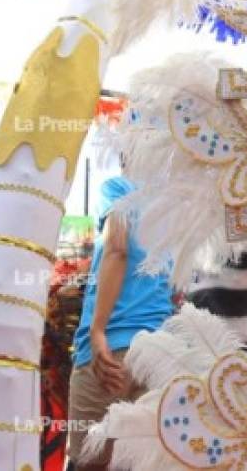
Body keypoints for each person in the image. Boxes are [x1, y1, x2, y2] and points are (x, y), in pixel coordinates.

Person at [67, 177, 174, 470]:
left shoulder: (118, 187)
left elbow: (117, 247)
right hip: (158, 358)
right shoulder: (173, 205)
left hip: (110, 352)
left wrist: (98, 329)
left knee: (89, 460)